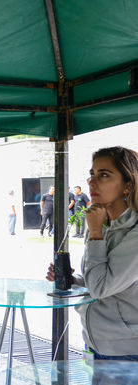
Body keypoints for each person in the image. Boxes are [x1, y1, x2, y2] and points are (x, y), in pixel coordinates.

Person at [47, 146, 138, 365]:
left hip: (125, 351)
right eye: (92, 174)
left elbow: (100, 288)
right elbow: (103, 282)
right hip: (95, 343)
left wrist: (95, 234)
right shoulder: (103, 222)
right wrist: (73, 280)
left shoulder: (129, 232)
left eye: (104, 175)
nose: (91, 182)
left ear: (128, 185)